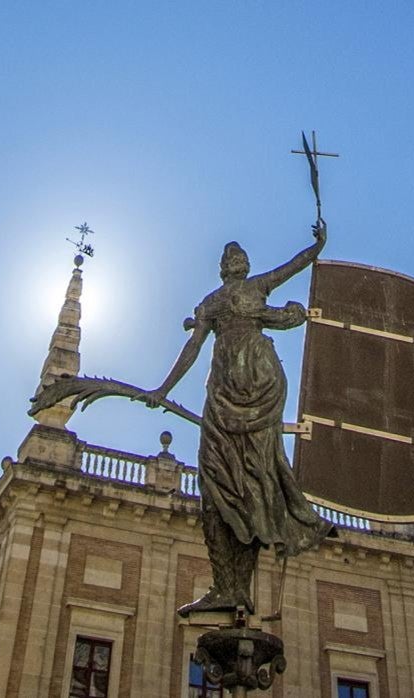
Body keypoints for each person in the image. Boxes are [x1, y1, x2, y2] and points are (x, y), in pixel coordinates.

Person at [141, 221, 335, 616]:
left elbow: (291, 267)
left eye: (241, 256)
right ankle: (229, 587)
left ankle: (239, 580)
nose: (237, 259)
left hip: (259, 386)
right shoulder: (212, 303)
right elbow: (192, 349)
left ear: (245, 266)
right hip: (226, 391)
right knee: (216, 481)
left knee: (256, 478)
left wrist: (317, 247)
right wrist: (163, 388)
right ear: (223, 268)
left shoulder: (258, 288)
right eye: (231, 257)